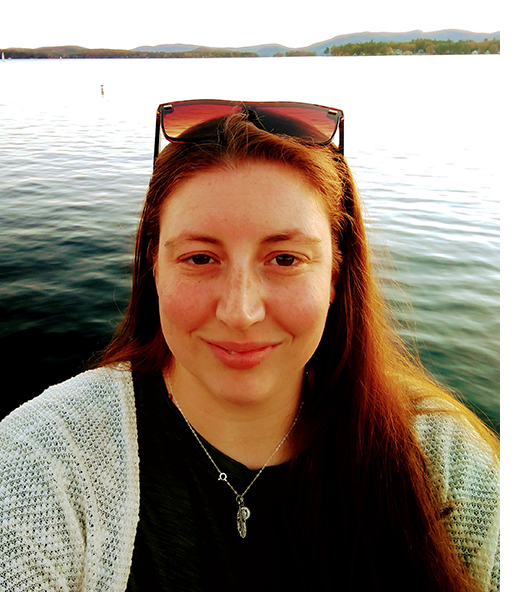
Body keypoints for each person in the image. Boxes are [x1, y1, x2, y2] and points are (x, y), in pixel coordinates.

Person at [0, 100, 499, 591]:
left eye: (285, 259)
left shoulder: (441, 460)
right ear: (154, 267)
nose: (240, 313)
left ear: (335, 274)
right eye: (200, 258)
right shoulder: (45, 461)